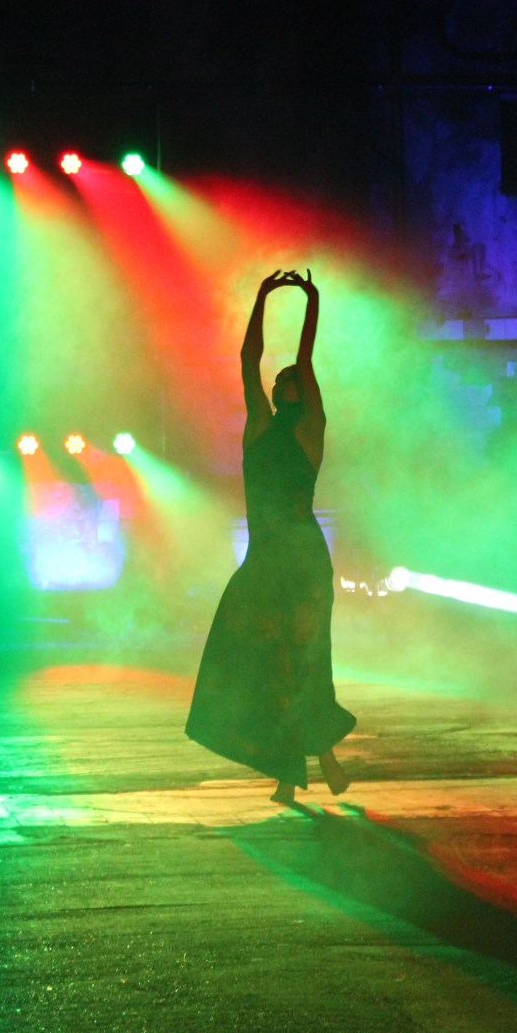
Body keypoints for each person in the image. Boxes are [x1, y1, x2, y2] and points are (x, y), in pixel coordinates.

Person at [186, 269, 355, 804]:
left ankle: (305, 767)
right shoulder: (258, 424)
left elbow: (307, 359)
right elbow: (247, 360)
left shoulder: (310, 430)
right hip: (263, 561)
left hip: (303, 561)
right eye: (279, 378)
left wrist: (310, 301)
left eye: (290, 379)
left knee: (306, 659)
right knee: (262, 663)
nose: (282, 380)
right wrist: (260, 297)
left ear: (303, 392)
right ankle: (308, 762)